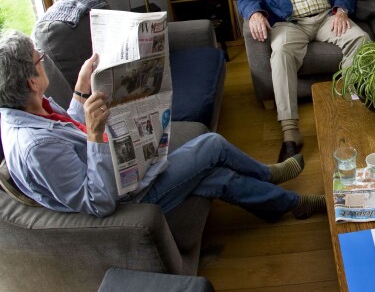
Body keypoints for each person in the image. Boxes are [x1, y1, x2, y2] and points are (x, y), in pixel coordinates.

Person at [0, 30, 324, 221]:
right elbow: (98, 202)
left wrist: (81, 89)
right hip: (128, 197)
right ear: (30, 80)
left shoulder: (32, 105)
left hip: (123, 168)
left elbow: (70, 129)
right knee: (210, 146)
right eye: (38, 57)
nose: (43, 57)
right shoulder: (34, 147)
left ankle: (289, 204)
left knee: (217, 177)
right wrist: (97, 134)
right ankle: (270, 175)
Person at [238, 0, 370, 162]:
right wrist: (254, 13)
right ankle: (290, 132)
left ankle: (348, 105)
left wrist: (341, 10)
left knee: (361, 38)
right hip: (289, 24)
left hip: (325, 18)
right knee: (280, 54)